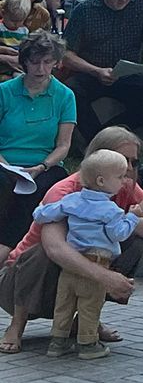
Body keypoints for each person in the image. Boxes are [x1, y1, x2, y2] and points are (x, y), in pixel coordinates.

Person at [33, 147, 137, 360]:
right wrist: (132, 218)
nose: (124, 181)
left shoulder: (71, 200)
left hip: (71, 265)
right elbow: (119, 234)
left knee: (64, 305)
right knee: (90, 306)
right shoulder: (111, 210)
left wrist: (39, 208)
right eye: (120, 176)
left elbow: (43, 214)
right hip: (97, 265)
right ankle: (88, 345)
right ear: (101, 181)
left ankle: (57, 342)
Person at [61, 0, 143, 141]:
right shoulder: (84, 10)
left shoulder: (142, 3)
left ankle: (108, 135)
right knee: (72, 92)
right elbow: (66, 53)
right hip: (91, 71)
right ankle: (96, 140)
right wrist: (96, 70)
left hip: (127, 72)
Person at [0, 34, 74, 259]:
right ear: (24, 62)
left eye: (47, 62)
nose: (41, 68)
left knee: (39, 189)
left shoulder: (65, 95)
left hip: (45, 164)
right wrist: (5, 164)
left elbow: (63, 145)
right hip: (5, 161)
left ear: (55, 62)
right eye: (34, 62)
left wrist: (42, 166)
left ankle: (8, 252)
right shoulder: (4, 91)